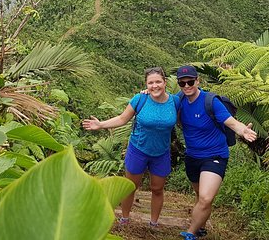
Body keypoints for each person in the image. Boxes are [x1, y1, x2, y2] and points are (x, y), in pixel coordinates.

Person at [82, 66, 177, 228]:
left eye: (158, 82)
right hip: (138, 149)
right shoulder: (140, 99)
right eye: (150, 83)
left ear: (165, 82)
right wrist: (101, 125)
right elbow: (122, 119)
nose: (155, 86)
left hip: (161, 152)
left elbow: (191, 98)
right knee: (130, 186)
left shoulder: (175, 101)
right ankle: (125, 219)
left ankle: (154, 223)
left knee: (157, 188)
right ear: (146, 85)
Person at [174, 65, 257, 240]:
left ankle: (190, 232)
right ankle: (201, 225)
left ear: (198, 81)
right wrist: (146, 92)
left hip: (214, 156)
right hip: (192, 157)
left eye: (190, 81)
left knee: (205, 197)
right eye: (183, 83)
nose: (187, 86)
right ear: (179, 84)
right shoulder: (179, 100)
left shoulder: (210, 102)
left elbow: (232, 122)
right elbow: (161, 103)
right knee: (199, 195)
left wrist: (243, 131)